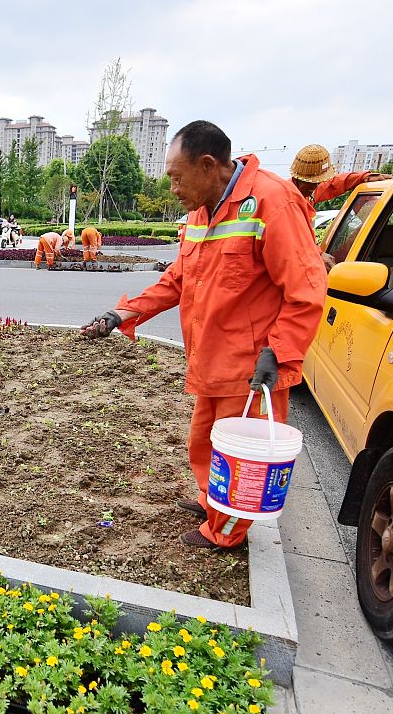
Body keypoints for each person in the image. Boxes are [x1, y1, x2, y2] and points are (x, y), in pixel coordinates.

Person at [80, 120, 327, 550]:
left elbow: (306, 289)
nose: (173, 188)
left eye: (177, 177)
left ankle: (226, 532)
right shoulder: (200, 212)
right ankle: (212, 501)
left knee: (241, 458)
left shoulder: (273, 201)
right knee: (205, 442)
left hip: (251, 366)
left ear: (209, 165)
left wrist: (280, 352)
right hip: (209, 357)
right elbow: (179, 277)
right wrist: (123, 312)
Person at [290, 144, 391, 271]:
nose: (314, 187)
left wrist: (362, 177)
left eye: (318, 182)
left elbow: (333, 184)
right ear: (297, 178)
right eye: (311, 183)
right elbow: (292, 238)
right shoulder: (286, 201)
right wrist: (318, 254)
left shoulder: (308, 191)